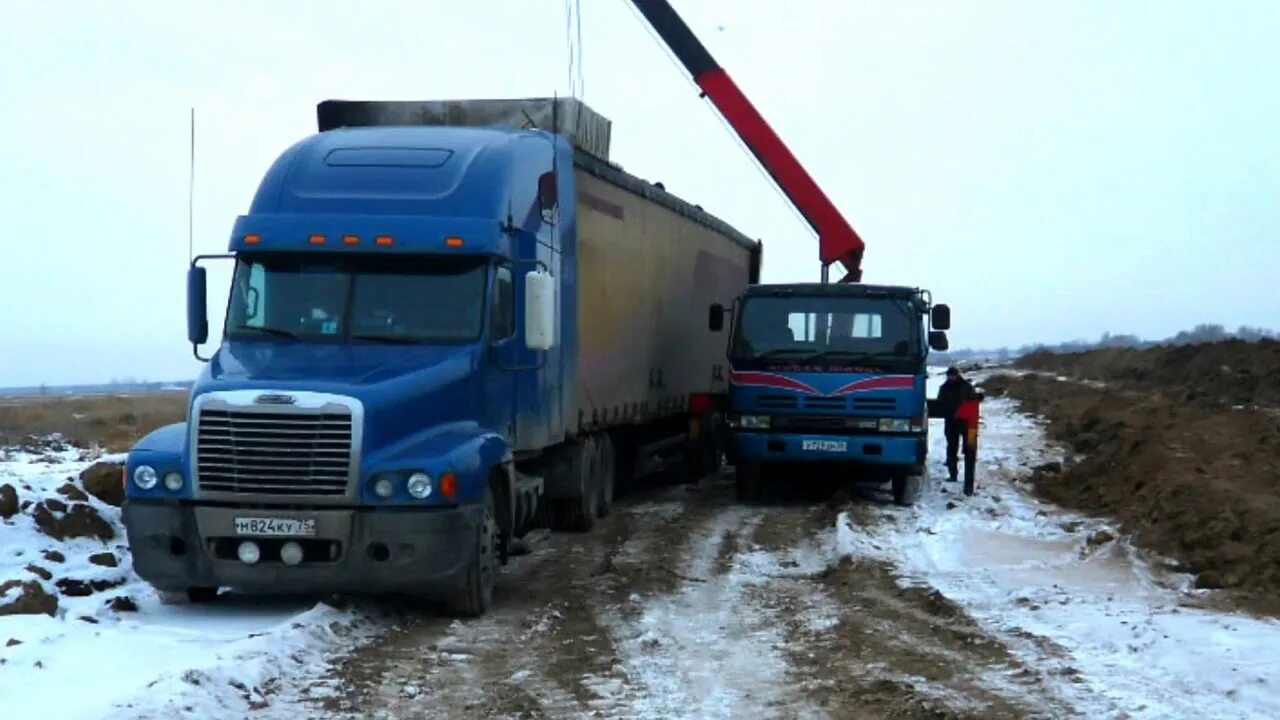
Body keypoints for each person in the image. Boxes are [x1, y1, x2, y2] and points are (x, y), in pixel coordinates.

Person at [934, 366, 978, 486]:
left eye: (953, 375)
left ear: (958, 375)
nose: (951, 377)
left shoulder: (967, 387)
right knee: (952, 448)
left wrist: (977, 399)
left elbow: (974, 400)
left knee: (969, 449)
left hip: (967, 424)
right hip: (951, 422)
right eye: (949, 376)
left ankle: (969, 483)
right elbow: (939, 402)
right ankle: (953, 474)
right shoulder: (944, 388)